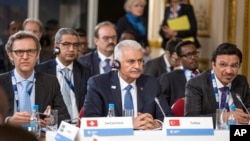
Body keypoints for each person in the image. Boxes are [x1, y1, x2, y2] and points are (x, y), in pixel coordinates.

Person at [84, 40, 173, 130]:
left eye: (140, 61)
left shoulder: (151, 84)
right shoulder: (99, 84)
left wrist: (156, 124)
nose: (137, 66)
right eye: (131, 61)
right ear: (116, 63)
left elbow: (168, 117)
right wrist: (128, 124)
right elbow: (91, 120)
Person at [0, 30, 70, 128]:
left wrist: (51, 119)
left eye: (30, 51)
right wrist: (8, 121)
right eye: (19, 52)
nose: (25, 57)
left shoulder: (50, 82)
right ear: (10, 55)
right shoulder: (1, 83)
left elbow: (65, 117)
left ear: (37, 54)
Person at [185, 42, 250, 128]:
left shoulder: (241, 81)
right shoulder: (196, 84)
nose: (229, 71)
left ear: (239, 66)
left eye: (234, 65)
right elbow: (191, 120)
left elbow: (248, 109)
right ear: (213, 65)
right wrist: (225, 116)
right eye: (223, 65)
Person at [36, 28, 91, 123]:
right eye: (66, 44)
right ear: (56, 46)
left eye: (75, 45)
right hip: (52, 125)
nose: (71, 49)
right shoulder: (41, 71)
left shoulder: (85, 72)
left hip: (79, 125)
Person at [160, 40, 200, 107]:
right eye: (188, 55)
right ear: (180, 59)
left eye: (195, 53)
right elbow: (163, 107)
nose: (193, 57)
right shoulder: (169, 78)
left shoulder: (207, 76)